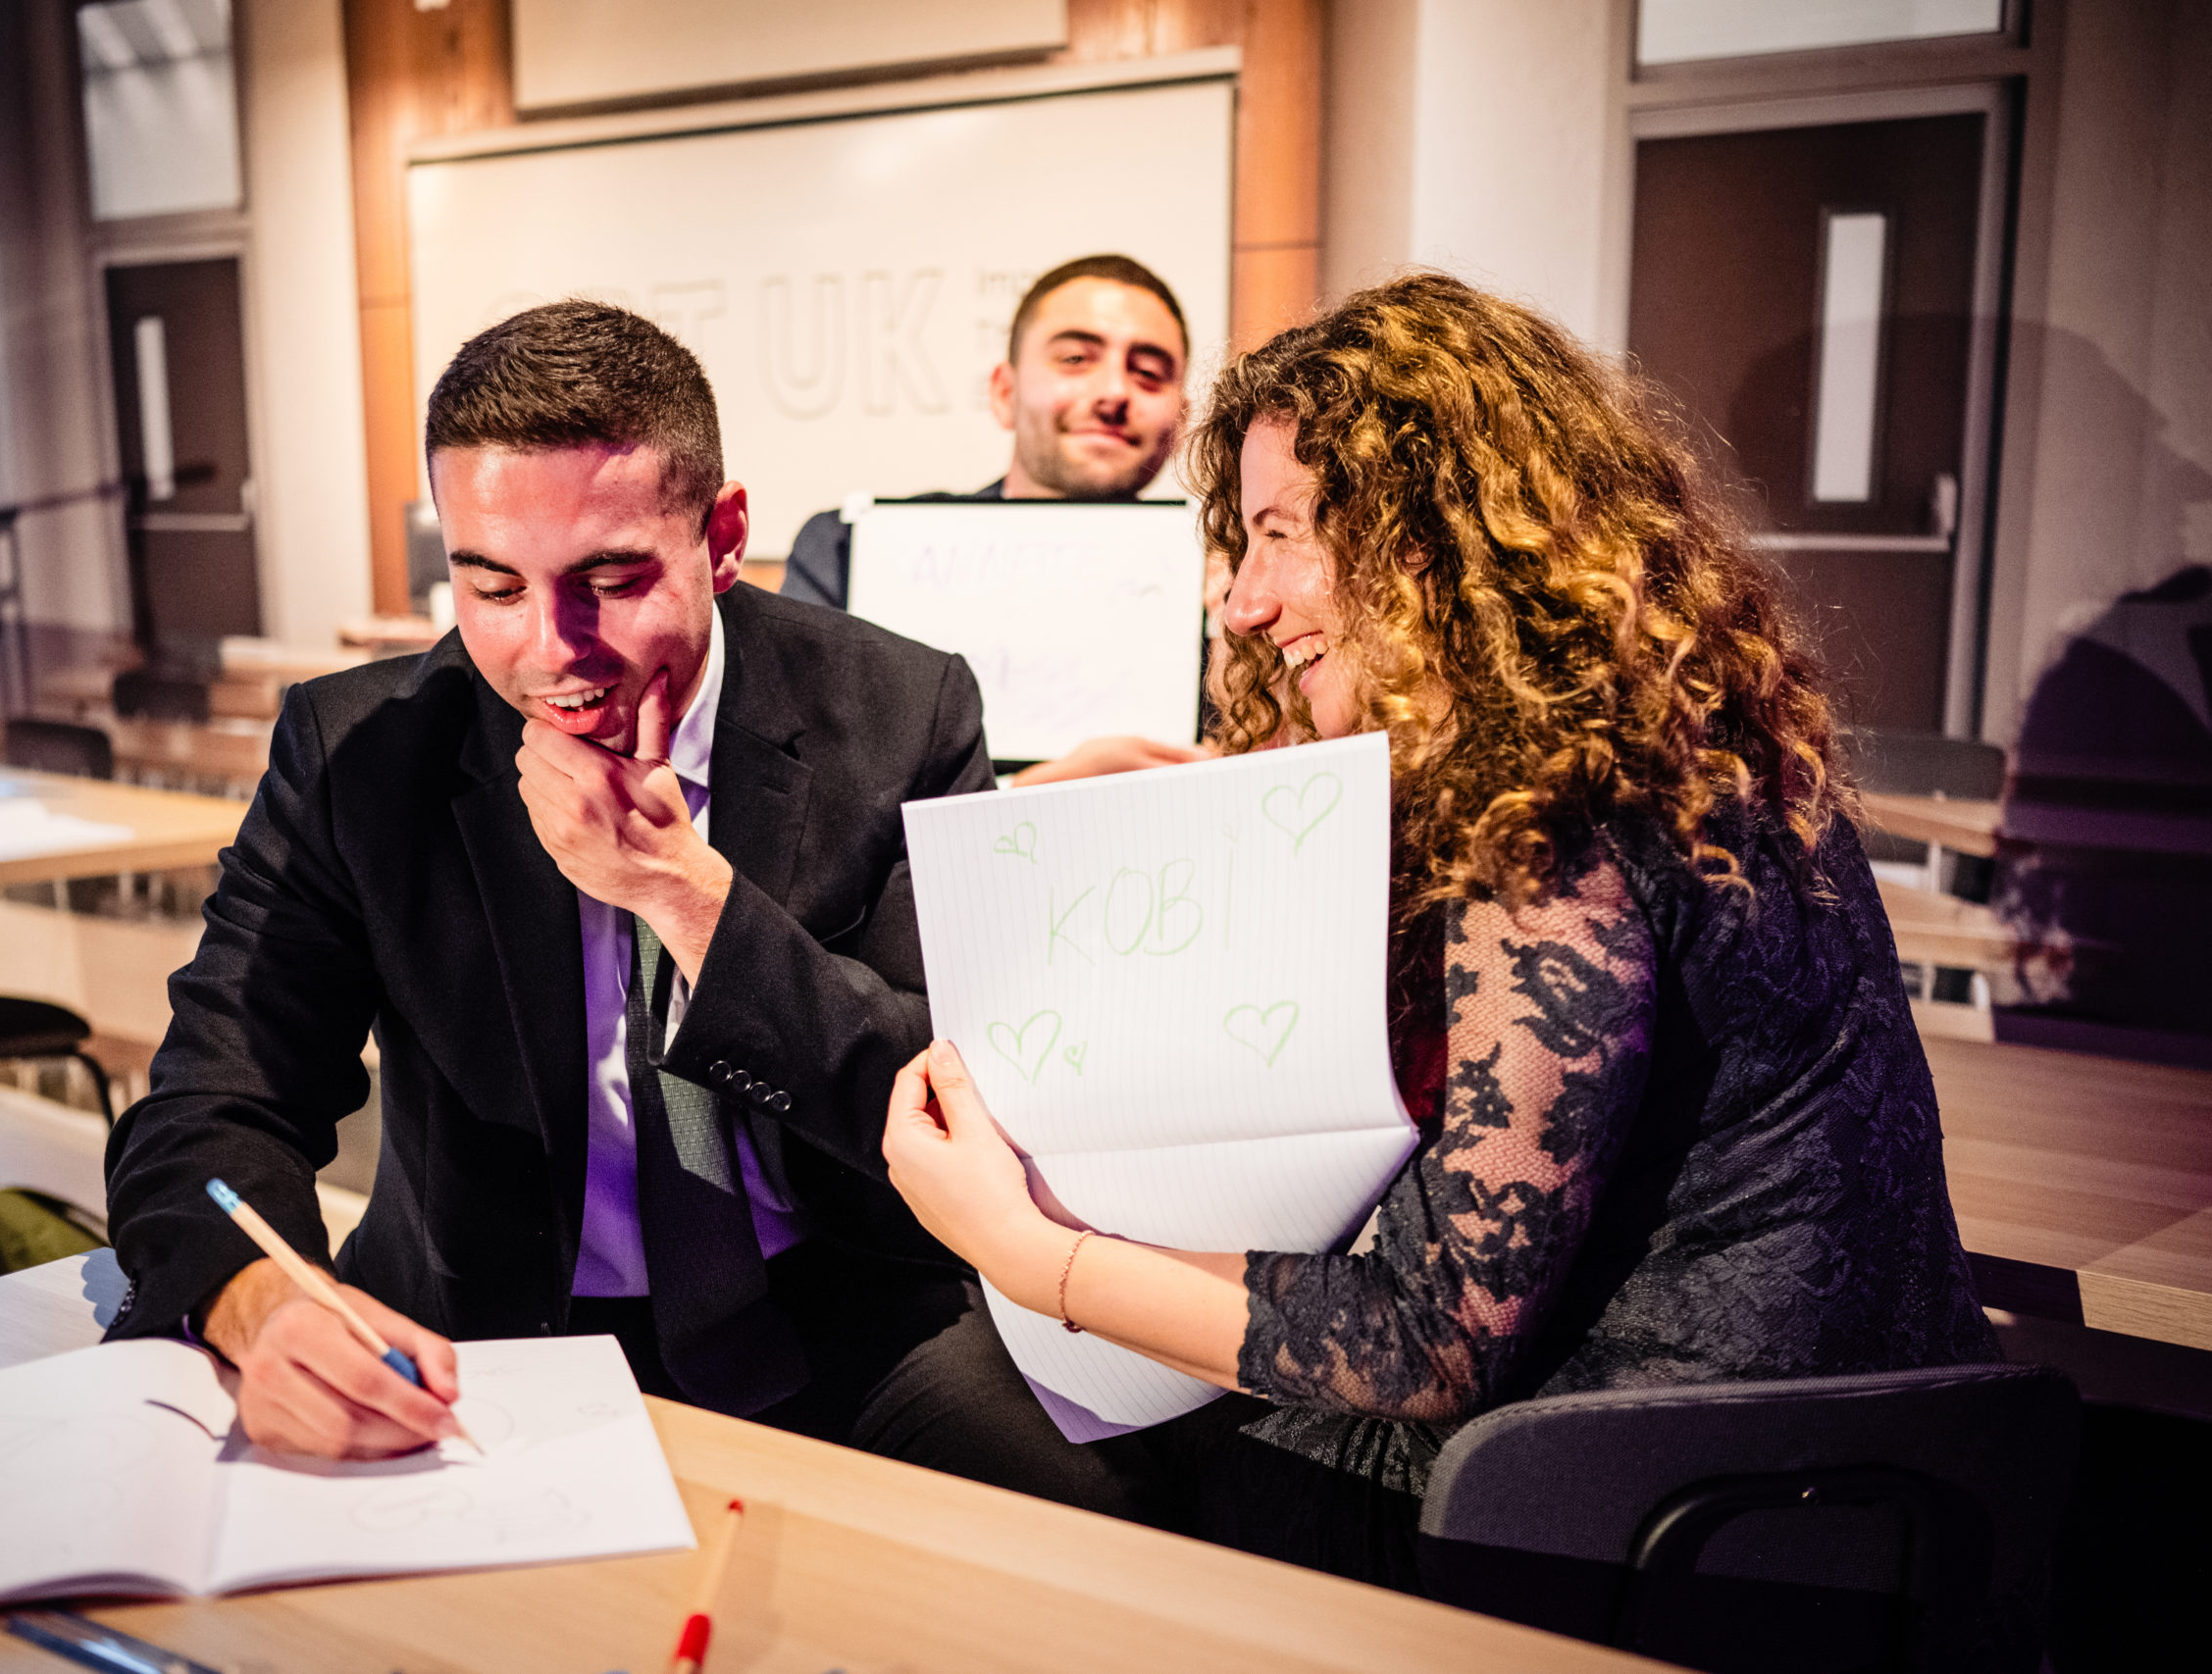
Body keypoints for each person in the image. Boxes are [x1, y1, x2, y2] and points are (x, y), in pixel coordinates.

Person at [877, 274, 1999, 1586]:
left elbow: (1428, 1341)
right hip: (1867, 1478)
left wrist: (1026, 1250)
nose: (1243, 602)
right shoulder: (1685, 738)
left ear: (1427, 540)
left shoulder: (1552, 821)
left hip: (1653, 1514)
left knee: (963, 1407)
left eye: (1282, 534)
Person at [101, 301, 1153, 1517]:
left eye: (608, 581)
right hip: (487, 1334)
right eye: (493, 585)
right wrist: (260, 1301)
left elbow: (950, 1099)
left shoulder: (897, 710)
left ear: (723, 537)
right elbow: (213, 1100)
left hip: (843, 1311)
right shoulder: (358, 751)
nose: (552, 650)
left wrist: (685, 897)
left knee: (1098, 1522)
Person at [783, 252, 1204, 786]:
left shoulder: (1233, 593)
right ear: (1005, 393)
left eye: (1148, 374)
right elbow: (803, 784)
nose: (1114, 393)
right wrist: (1027, 794)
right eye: (1076, 358)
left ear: (1180, 420)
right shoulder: (847, 554)